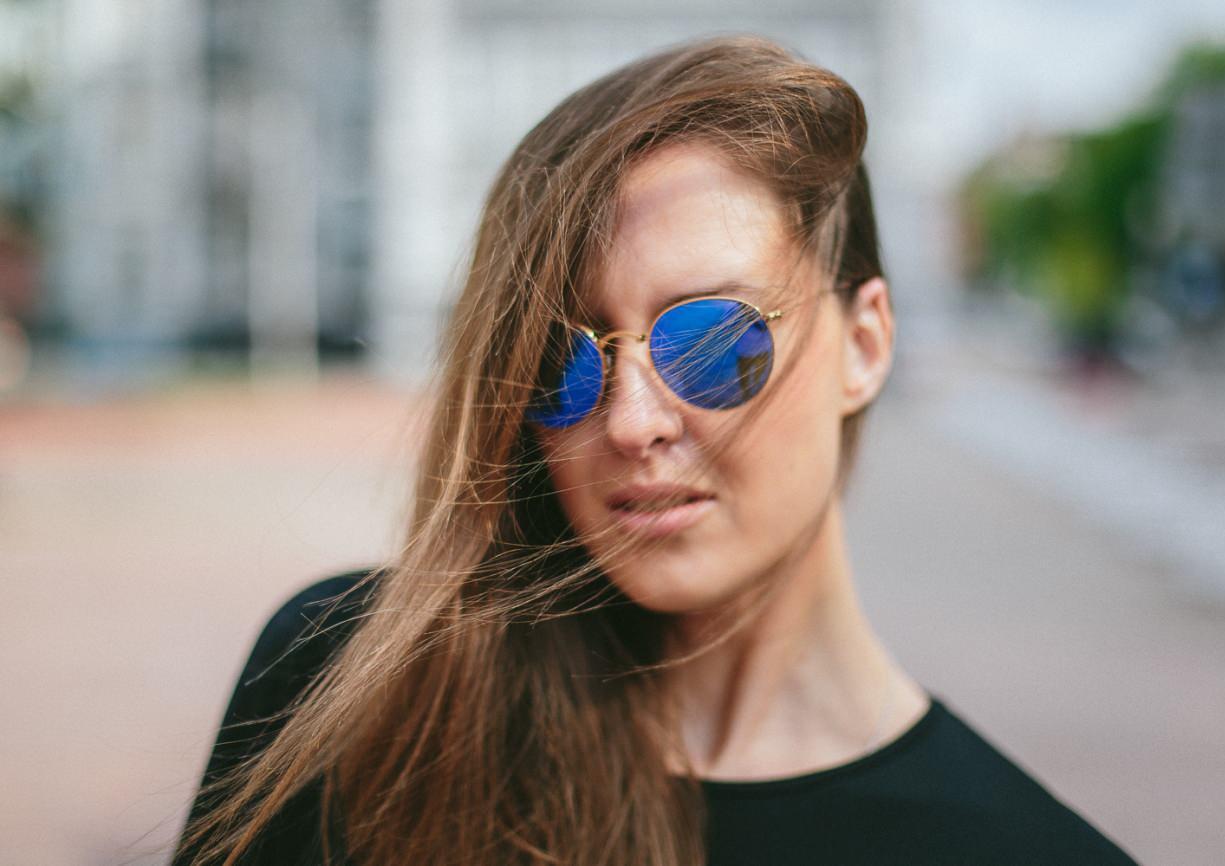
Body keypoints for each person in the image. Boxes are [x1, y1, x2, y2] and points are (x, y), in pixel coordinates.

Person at [172, 34, 1140, 866]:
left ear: (865, 344)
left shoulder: (1021, 848)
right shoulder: (348, 687)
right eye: (560, 362)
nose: (632, 422)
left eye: (711, 341)